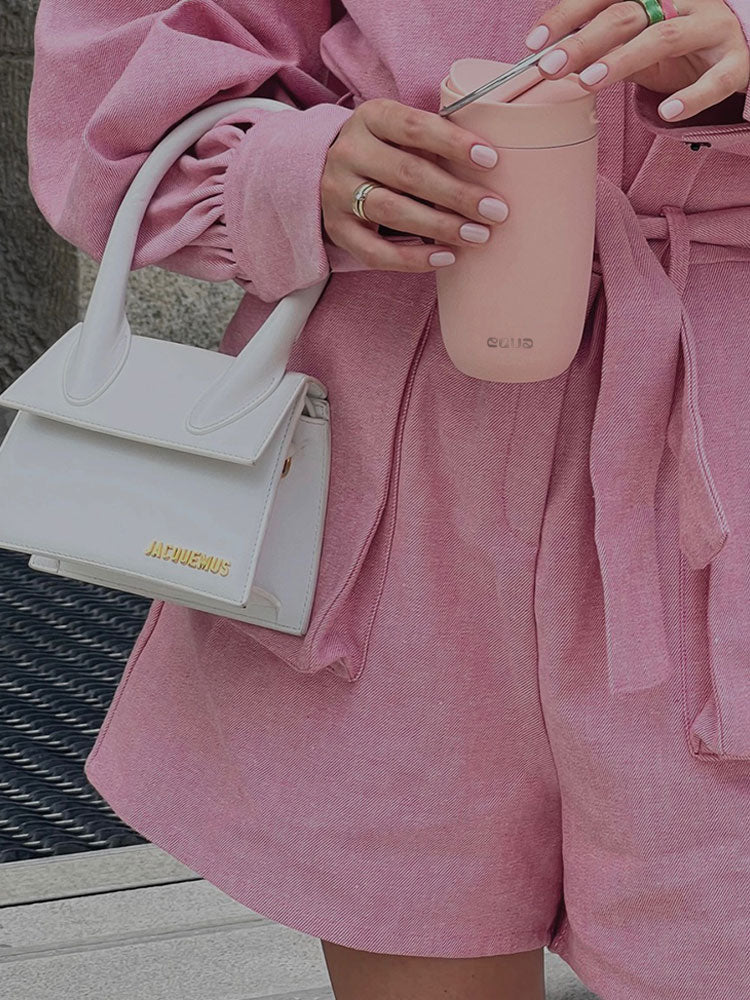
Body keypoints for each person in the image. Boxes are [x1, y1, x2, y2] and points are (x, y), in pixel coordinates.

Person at [26, 1, 750, 997]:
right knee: (412, 926)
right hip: (395, 450)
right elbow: (117, 64)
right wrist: (292, 169)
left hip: (722, 431)